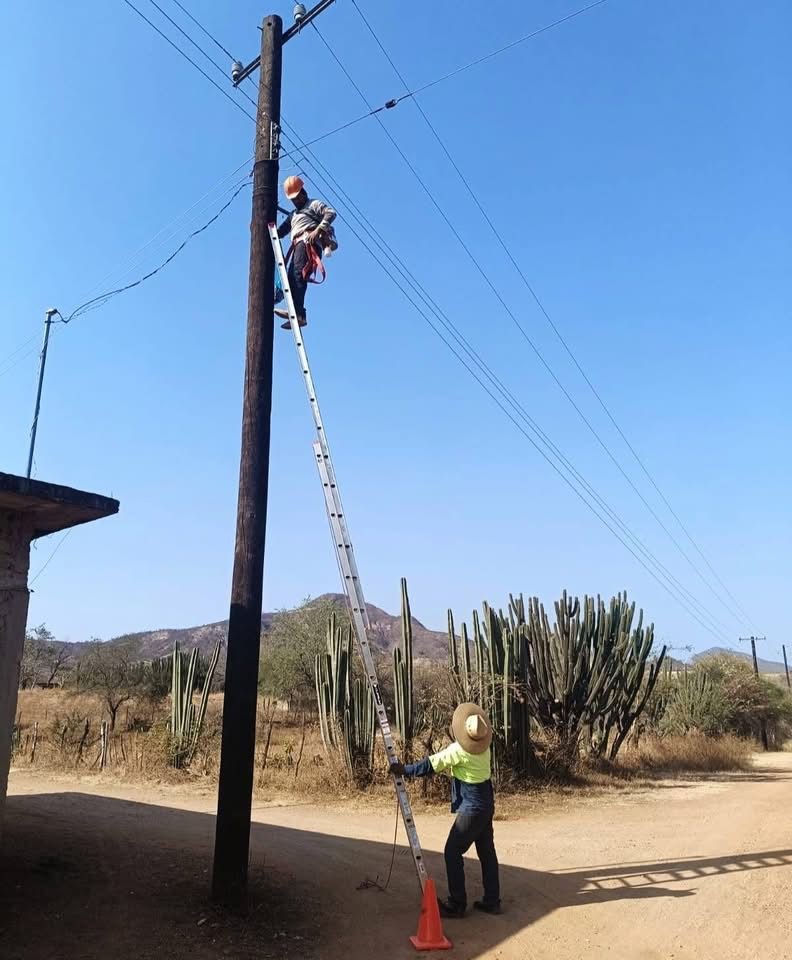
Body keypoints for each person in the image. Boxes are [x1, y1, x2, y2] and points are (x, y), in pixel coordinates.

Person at [390, 702, 501, 919]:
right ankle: (492, 900)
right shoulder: (485, 748)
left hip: (472, 807)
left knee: (452, 851)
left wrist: (405, 770)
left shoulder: (458, 751)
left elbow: (431, 765)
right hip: (487, 802)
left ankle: (457, 903)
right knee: (487, 852)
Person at [274, 175, 337, 329]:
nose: (295, 201)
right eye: (292, 199)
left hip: (308, 244)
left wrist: (317, 230)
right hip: (297, 245)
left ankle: (297, 313)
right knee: (291, 278)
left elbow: (330, 213)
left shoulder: (313, 204)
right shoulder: (293, 215)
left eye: (297, 197)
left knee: (297, 275)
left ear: (303, 192)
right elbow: (280, 232)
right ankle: (298, 313)